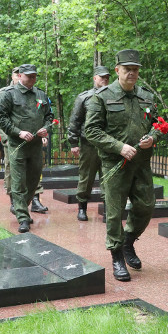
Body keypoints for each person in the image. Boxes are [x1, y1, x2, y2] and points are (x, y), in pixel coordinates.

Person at [85, 49, 164, 281]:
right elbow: (91, 130)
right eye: (127, 69)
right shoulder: (102, 97)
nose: (132, 73)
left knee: (146, 206)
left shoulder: (146, 97)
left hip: (140, 163)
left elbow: (158, 124)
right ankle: (117, 255)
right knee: (114, 212)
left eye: (135, 69)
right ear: (117, 70)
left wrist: (153, 138)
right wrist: (119, 147)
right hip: (114, 164)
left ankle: (128, 241)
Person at [0, 64, 53, 232]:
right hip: (17, 145)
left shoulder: (40, 94)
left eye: (34, 76)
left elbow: (49, 116)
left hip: (35, 146)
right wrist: (18, 132)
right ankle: (23, 217)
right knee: (18, 181)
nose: (32, 79)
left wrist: (46, 129)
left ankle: (21, 206)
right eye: (29, 76)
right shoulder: (9, 95)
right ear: (19, 76)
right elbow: (0, 117)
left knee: (33, 180)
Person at [68, 65, 110, 221]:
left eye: (107, 78)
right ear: (95, 78)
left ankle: (108, 210)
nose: (105, 80)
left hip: (108, 144)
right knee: (86, 176)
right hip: (89, 144)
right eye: (102, 77)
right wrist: (73, 142)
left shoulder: (113, 96)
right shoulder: (84, 97)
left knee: (109, 177)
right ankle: (82, 207)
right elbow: (75, 121)